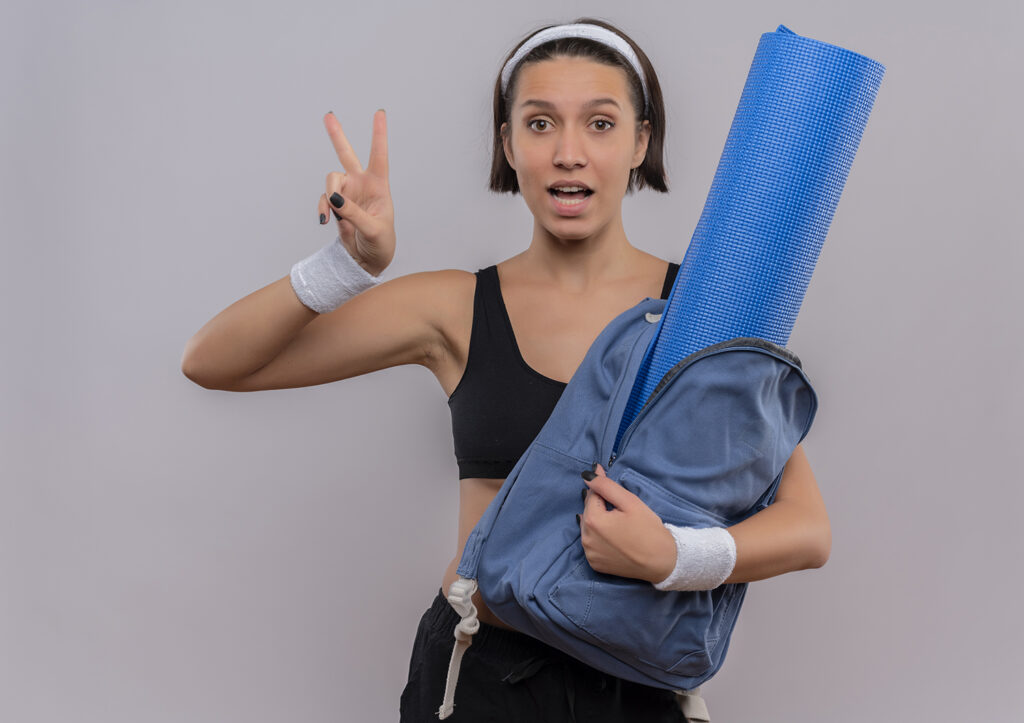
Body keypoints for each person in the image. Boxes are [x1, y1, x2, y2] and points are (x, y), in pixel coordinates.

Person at [181, 17, 831, 723]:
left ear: (642, 142)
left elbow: (807, 528)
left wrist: (674, 555)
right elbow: (213, 361)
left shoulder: (701, 313)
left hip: (637, 688)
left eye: (602, 124)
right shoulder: (456, 308)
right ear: (509, 143)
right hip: (483, 678)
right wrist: (345, 268)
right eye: (541, 122)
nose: (569, 153)